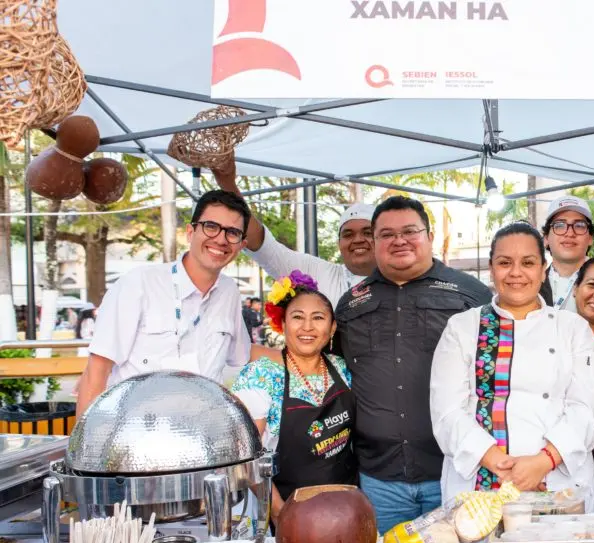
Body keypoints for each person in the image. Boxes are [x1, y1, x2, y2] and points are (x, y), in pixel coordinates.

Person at [334, 196, 491, 532]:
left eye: (410, 231)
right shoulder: (350, 305)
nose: (399, 240)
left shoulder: (474, 295)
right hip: (378, 478)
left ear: (429, 236)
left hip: (455, 470)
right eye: (387, 234)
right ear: (374, 242)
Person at [430, 222, 594, 511]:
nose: (516, 273)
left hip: (559, 480)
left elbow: (586, 408)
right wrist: (501, 464)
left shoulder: (572, 328)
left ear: (543, 268)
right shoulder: (463, 327)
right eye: (504, 263)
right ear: (491, 268)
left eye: (528, 262)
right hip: (481, 479)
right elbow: (446, 411)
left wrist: (542, 461)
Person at [76, 190, 252, 414]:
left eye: (233, 233)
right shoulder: (139, 284)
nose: (220, 239)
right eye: (211, 226)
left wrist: (304, 353)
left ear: (241, 244)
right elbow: (96, 371)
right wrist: (84, 447)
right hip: (135, 435)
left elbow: (242, 354)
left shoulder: (229, 292)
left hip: (202, 434)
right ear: (190, 232)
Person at [233, 271, 356, 522]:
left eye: (318, 318)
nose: (307, 327)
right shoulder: (262, 375)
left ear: (332, 327)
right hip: (289, 511)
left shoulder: (341, 368)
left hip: (345, 505)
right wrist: (281, 514)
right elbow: (244, 455)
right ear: (283, 324)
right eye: (297, 317)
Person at [243, 202, 376, 307]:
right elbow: (266, 250)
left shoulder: (396, 279)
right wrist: (228, 184)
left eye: (368, 233)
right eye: (348, 235)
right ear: (339, 244)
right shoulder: (319, 272)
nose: (358, 240)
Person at [538, 196, 594, 312]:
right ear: (546, 238)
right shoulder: (532, 283)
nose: (569, 233)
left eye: (579, 226)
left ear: (590, 238)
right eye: (559, 225)